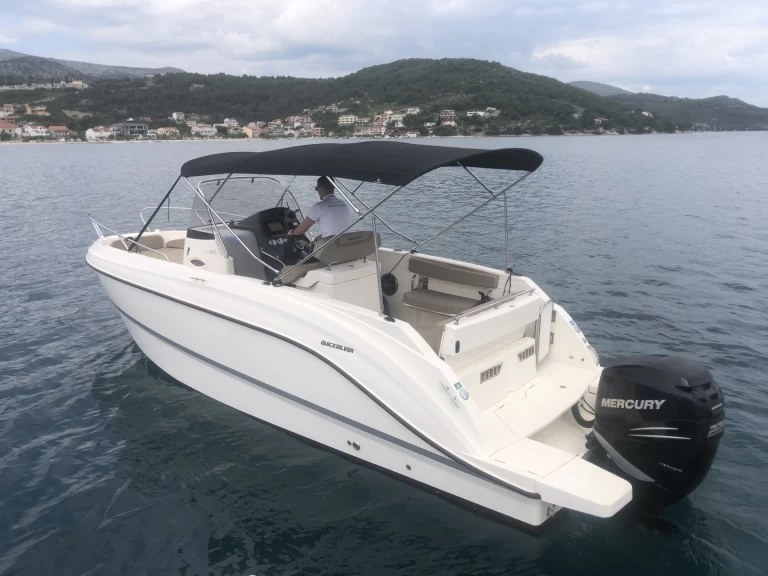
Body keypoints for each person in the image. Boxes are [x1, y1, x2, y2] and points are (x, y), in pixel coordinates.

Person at [288, 176, 351, 240]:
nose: (317, 192)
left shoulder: (319, 206)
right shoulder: (343, 204)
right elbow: (337, 230)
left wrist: (292, 232)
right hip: (346, 243)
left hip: (331, 247)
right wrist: (318, 238)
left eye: (317, 188)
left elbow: (302, 230)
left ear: (323, 189)